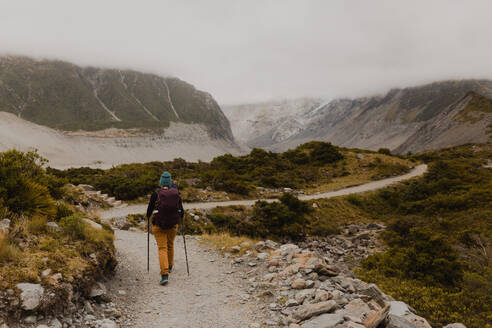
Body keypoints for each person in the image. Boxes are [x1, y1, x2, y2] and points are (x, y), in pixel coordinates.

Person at [146, 171, 184, 285]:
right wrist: (178, 219)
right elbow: (182, 211)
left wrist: (149, 217)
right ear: (170, 182)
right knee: (170, 244)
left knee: (162, 248)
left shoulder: (156, 194)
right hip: (173, 225)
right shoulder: (177, 193)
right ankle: (170, 265)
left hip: (159, 225)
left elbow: (149, 211)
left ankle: (164, 274)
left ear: (161, 182)